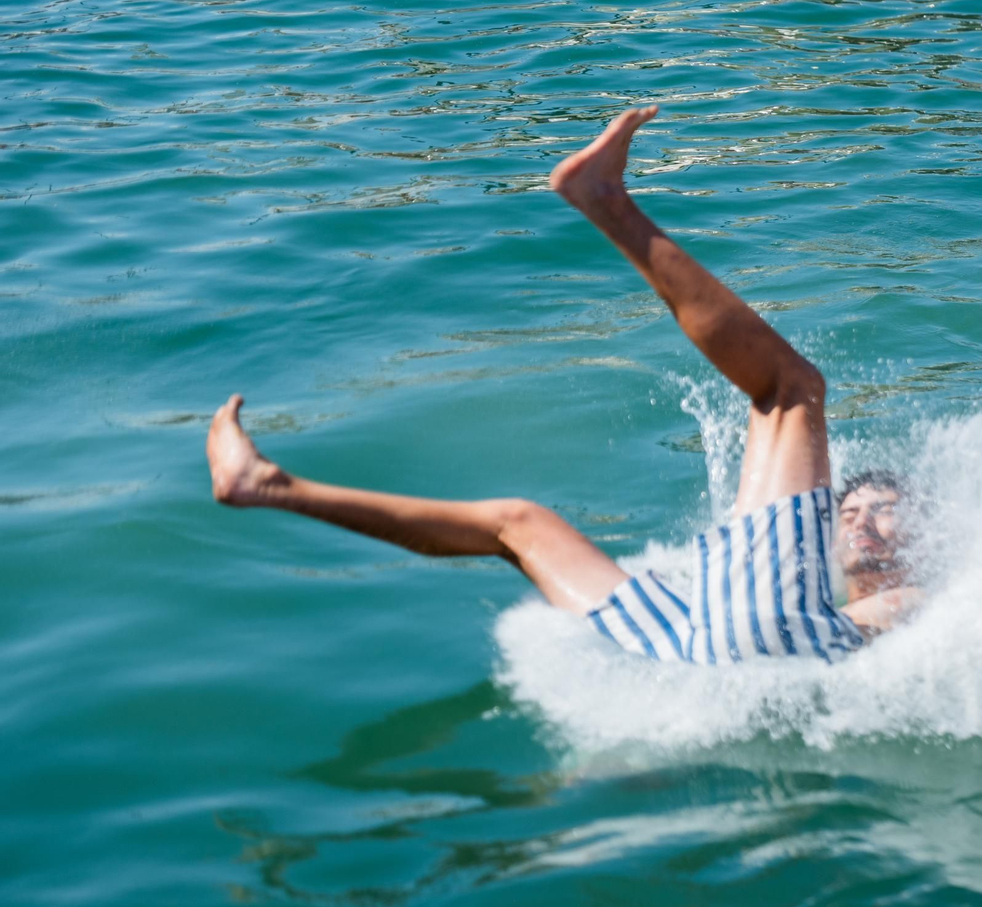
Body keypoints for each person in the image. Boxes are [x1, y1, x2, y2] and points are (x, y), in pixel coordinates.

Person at [205, 106, 921, 664]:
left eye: (884, 510)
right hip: (695, 643)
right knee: (516, 523)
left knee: (793, 389)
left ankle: (606, 200)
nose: (858, 518)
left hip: (775, 646)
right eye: (849, 506)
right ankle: (268, 485)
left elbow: (968, 661)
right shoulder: (796, 586)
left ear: (922, 539)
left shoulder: (920, 599)